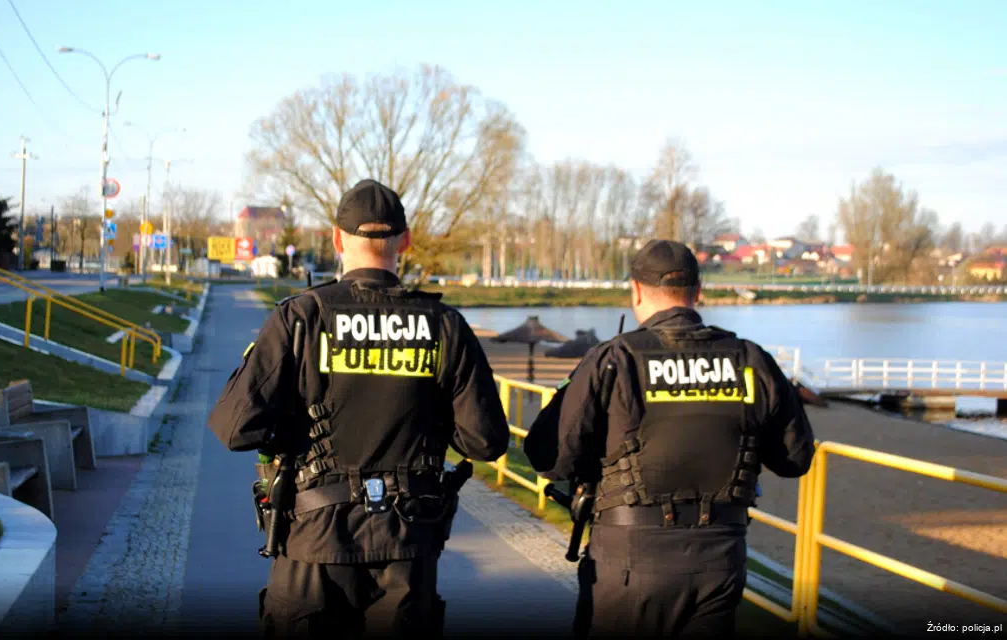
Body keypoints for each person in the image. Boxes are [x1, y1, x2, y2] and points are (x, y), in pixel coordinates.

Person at [207, 179, 511, 638]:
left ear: (335, 238)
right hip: (408, 548)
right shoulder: (444, 325)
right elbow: (486, 442)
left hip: (312, 547)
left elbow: (235, 428)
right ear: (404, 242)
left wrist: (288, 429)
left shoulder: (300, 318)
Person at [522, 239, 816, 638]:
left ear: (636, 290)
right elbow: (795, 459)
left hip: (628, 562)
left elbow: (548, 456)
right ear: (697, 292)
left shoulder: (614, 358)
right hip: (719, 562)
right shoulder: (751, 358)